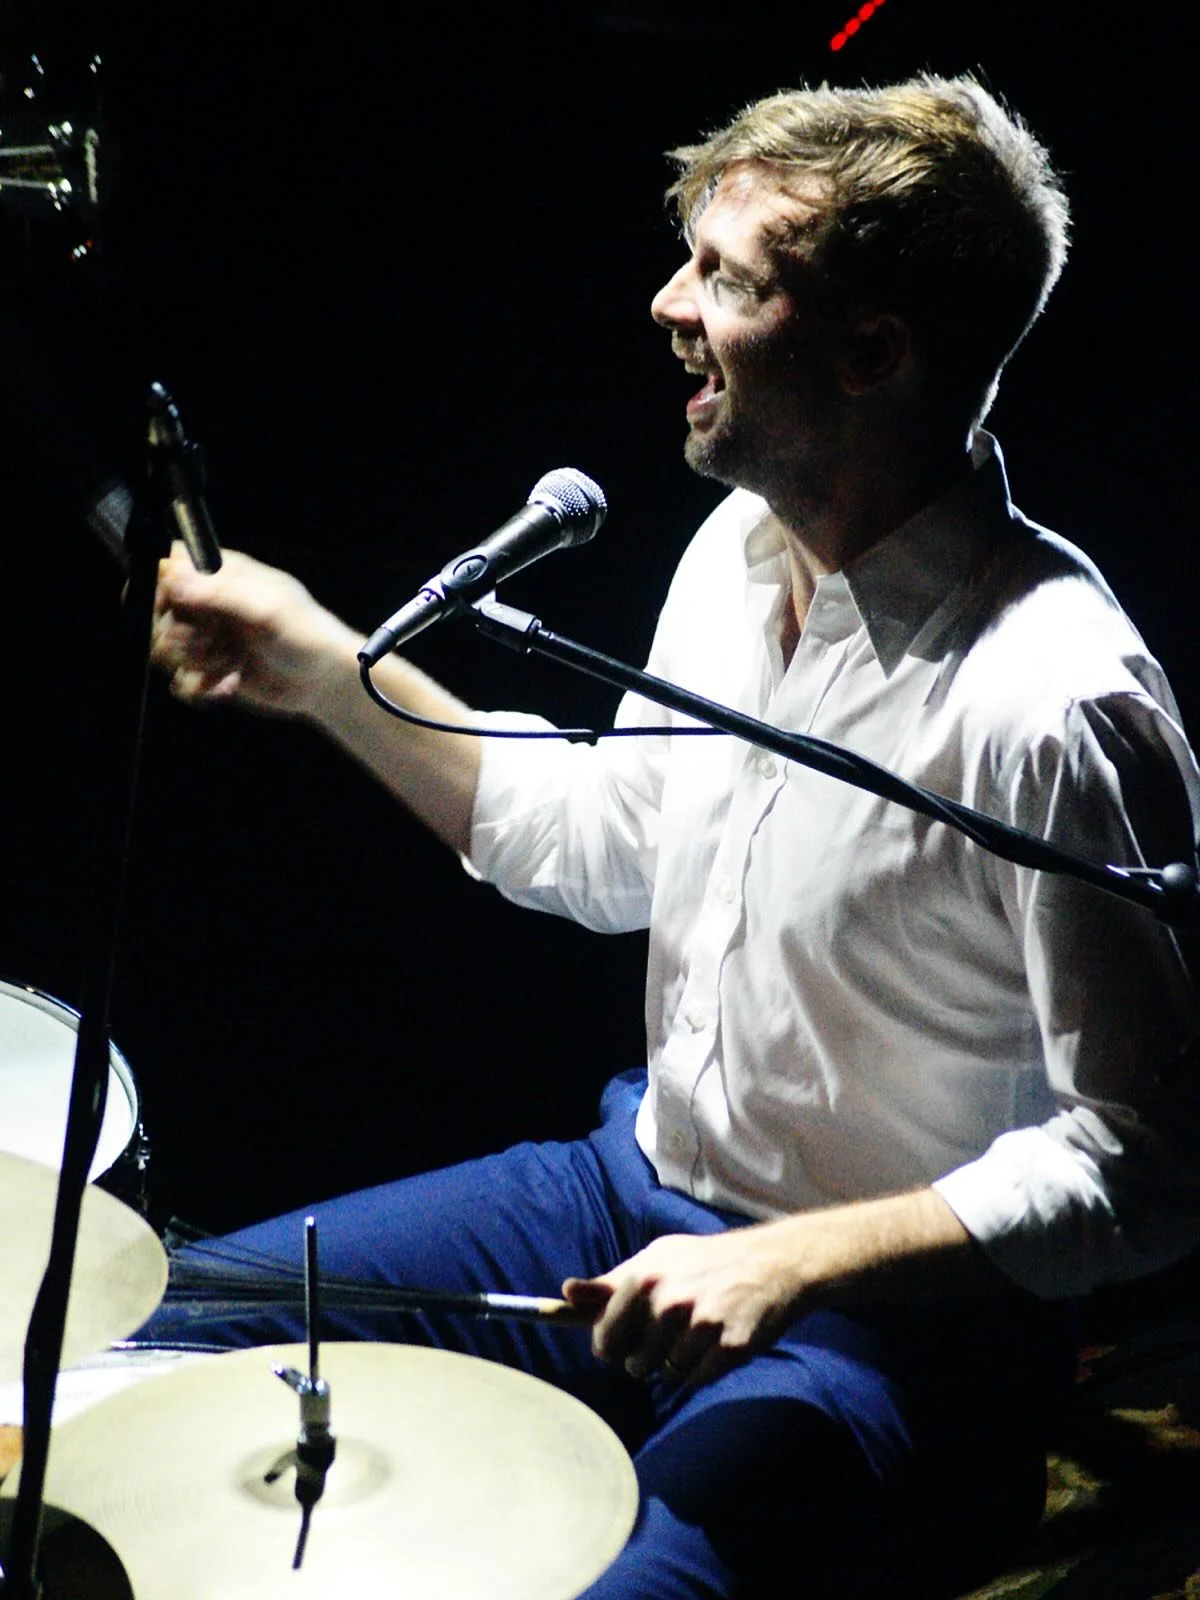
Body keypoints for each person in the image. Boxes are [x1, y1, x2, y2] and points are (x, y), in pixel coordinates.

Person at [148, 74, 1200, 1597]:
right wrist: (322, 666)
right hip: (625, 1192)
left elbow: (1153, 1166)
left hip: (887, 1329)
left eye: (724, 276)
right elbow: (598, 840)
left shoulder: (1053, 700)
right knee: (164, 1335)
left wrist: (793, 1261)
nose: (666, 305)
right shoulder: (733, 552)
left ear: (873, 352)